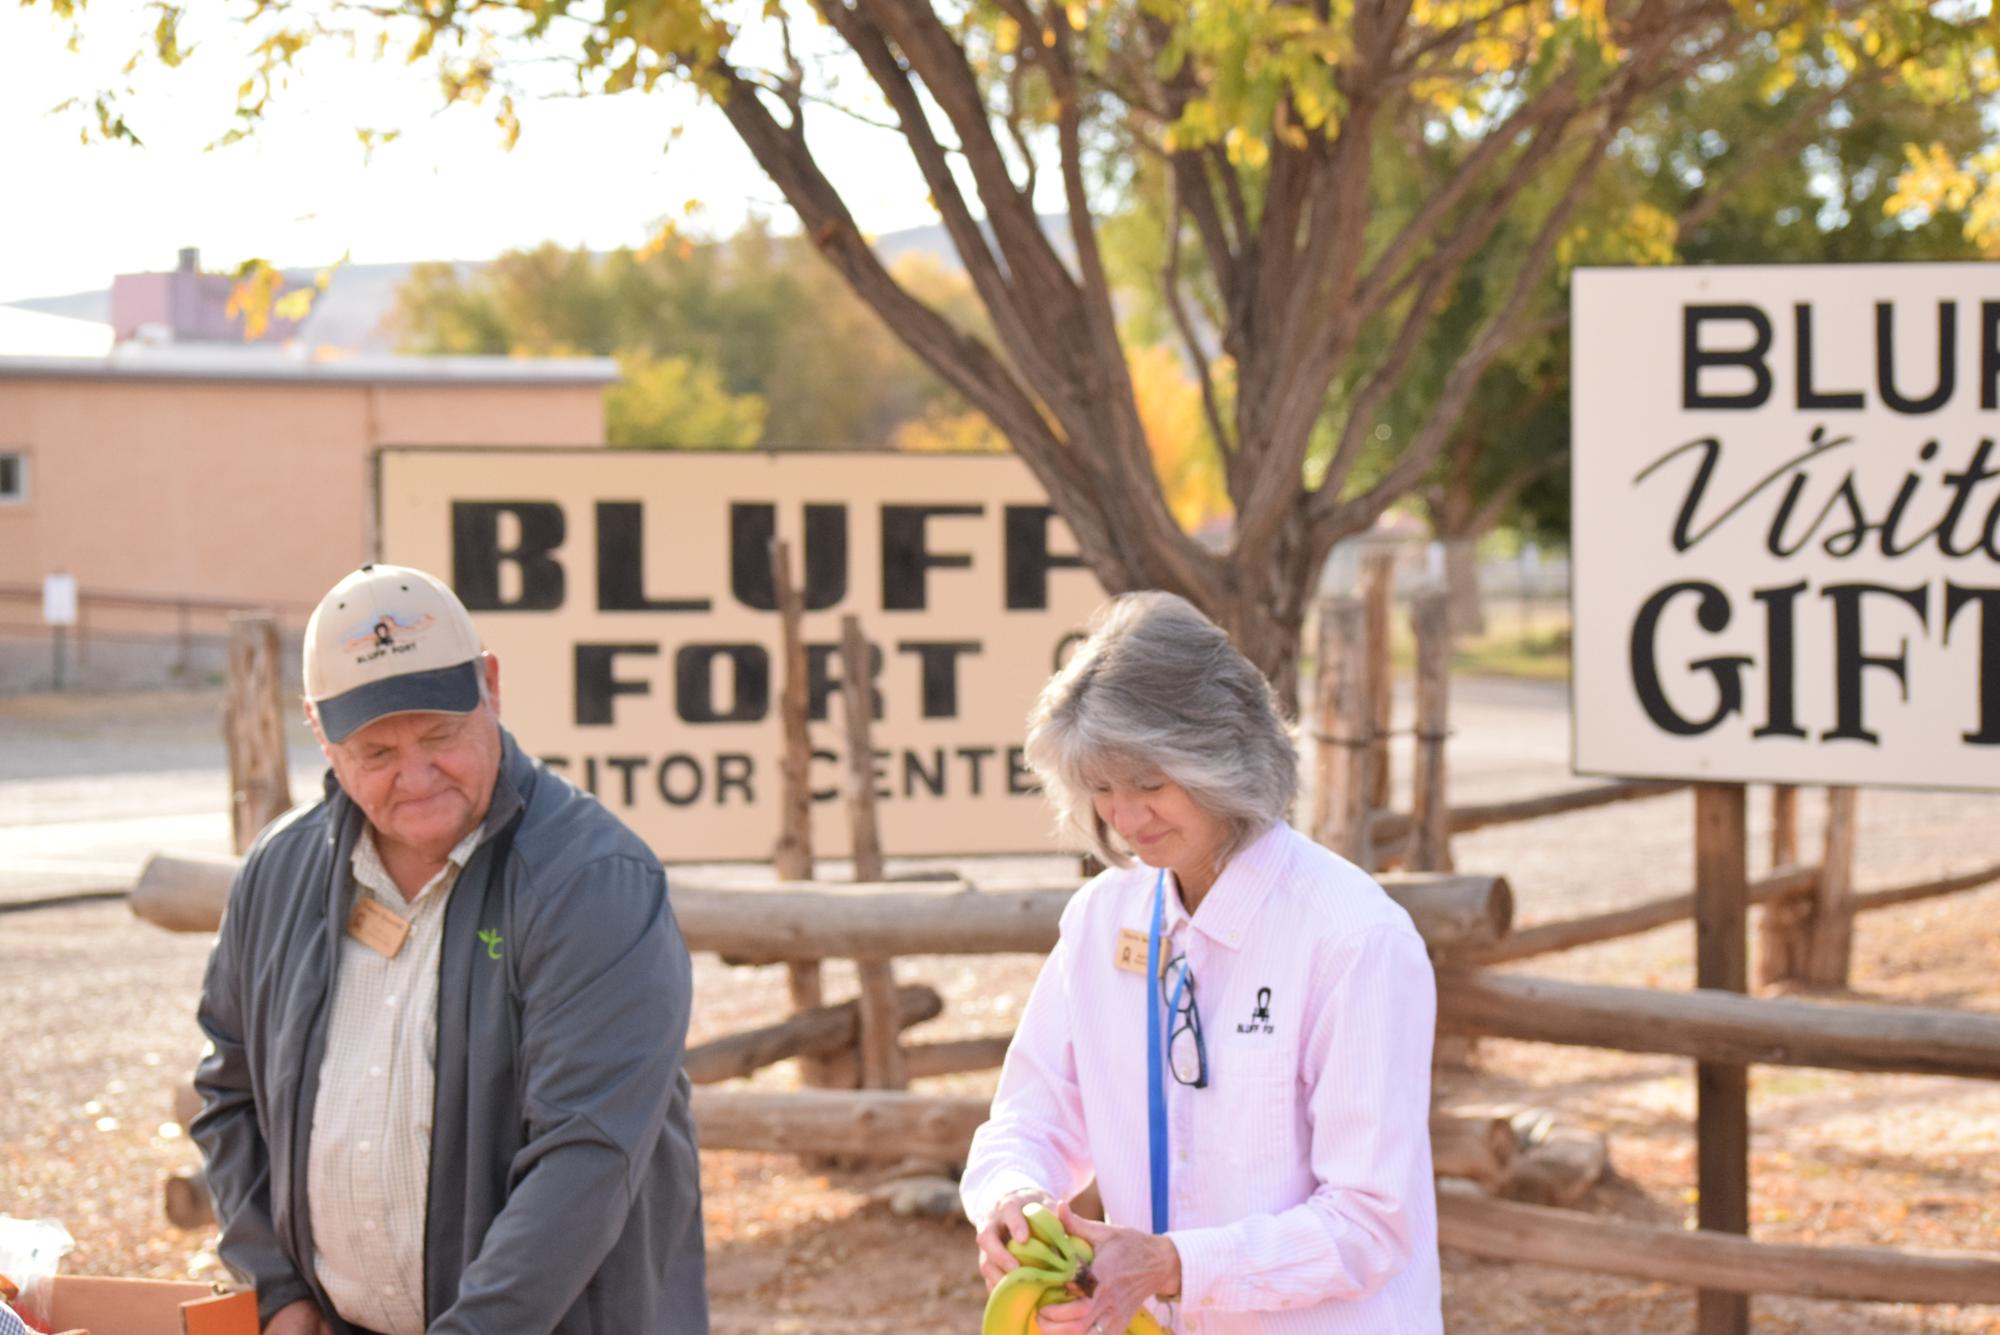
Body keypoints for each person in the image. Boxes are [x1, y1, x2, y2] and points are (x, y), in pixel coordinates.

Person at [192, 563, 707, 1335]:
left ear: (490, 686)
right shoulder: (278, 872)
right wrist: (277, 1290)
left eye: (439, 735)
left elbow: (585, 1157)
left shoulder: (591, 882)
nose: (417, 775)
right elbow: (230, 1094)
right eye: (376, 751)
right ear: (321, 733)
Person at [962, 592, 1441, 1334]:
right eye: (1102, 788)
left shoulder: (1354, 938)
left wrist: (1171, 1264)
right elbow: (1030, 1117)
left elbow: (1371, 1223)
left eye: (1150, 784)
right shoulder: (1101, 919)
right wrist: (1012, 1196)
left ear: (1227, 758)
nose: (1124, 818)